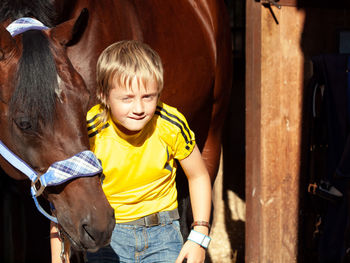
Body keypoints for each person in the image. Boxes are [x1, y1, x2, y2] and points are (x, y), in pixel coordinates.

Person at [51, 40, 212, 263]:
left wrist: (199, 237)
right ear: (104, 96)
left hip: (163, 234)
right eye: (126, 98)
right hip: (108, 237)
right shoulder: (89, 132)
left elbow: (199, 175)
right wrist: (59, 253)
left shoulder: (170, 124)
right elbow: (63, 191)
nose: (138, 109)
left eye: (148, 97)